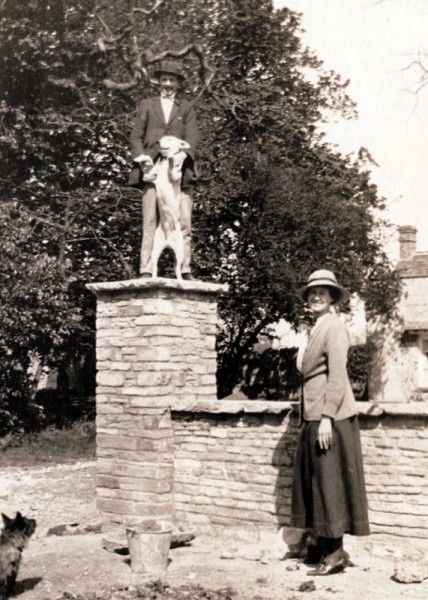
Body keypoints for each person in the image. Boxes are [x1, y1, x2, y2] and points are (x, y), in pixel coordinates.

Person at [290, 269, 370, 576]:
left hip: (330, 417)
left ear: (333, 297)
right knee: (318, 484)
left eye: (323, 292)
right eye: (312, 292)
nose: (316, 296)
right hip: (315, 413)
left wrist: (325, 419)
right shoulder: (317, 328)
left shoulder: (334, 328)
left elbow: (338, 377)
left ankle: (335, 554)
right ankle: (324, 548)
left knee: (330, 484)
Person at [129, 60, 199, 279]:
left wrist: (182, 155)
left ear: (178, 84)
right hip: (152, 168)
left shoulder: (186, 108)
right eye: (164, 79)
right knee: (150, 220)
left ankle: (185, 268)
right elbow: (136, 135)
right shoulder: (147, 105)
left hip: (179, 170)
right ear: (158, 82)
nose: (168, 84)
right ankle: (146, 269)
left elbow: (193, 137)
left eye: (172, 80)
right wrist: (142, 159)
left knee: (184, 221)